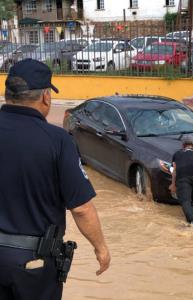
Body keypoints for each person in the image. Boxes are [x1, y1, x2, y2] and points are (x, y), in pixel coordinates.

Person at [0, 59, 110, 300]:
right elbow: (81, 208)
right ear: (46, 97)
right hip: (33, 267)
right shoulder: (57, 140)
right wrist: (101, 248)